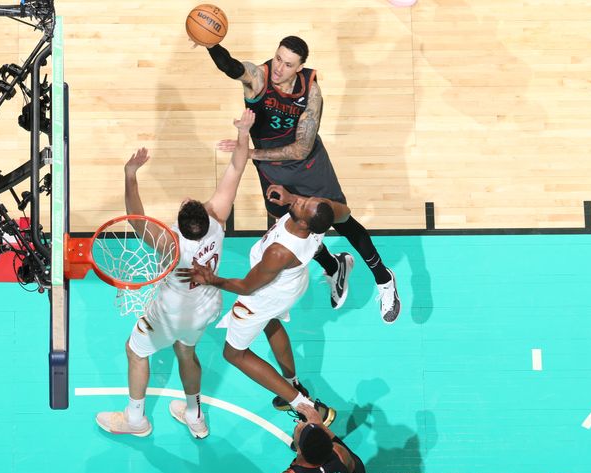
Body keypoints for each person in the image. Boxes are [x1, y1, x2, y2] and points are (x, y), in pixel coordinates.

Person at [202, 35, 401, 324]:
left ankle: (384, 279)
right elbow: (231, 66)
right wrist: (211, 45)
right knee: (293, 229)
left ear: (301, 66)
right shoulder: (259, 77)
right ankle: (334, 266)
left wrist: (251, 153)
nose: (279, 68)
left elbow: (301, 148)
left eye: (288, 64)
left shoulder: (312, 92)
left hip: (308, 165)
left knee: (340, 220)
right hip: (271, 168)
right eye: (278, 58)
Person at [95, 109, 256, 439]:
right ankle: (194, 414)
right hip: (205, 307)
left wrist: (130, 174)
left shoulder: (169, 243)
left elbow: (136, 218)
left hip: (169, 312)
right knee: (186, 352)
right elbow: (238, 166)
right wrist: (244, 133)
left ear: (180, 222)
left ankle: (135, 420)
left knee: (135, 351)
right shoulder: (217, 219)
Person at [179, 185, 349, 423]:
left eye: (302, 204)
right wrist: (293, 199)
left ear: (304, 224)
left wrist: (211, 279)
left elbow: (247, 287)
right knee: (271, 323)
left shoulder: (280, 252)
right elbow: (345, 213)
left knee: (234, 354)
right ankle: (293, 384)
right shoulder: (320, 213)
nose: (301, 200)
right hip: (290, 284)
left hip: (264, 295)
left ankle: (305, 406)